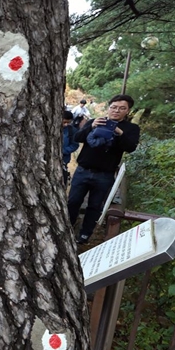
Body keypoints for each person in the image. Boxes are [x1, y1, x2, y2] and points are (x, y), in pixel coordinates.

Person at [67, 94, 140, 244]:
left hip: (104, 175)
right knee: (73, 202)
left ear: (128, 111)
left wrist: (120, 133)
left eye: (122, 108)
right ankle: (67, 228)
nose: (116, 111)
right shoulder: (95, 121)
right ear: (109, 107)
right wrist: (91, 127)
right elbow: (78, 137)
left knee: (95, 206)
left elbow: (130, 147)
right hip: (83, 170)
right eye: (113, 107)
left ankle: (85, 235)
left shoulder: (131, 128)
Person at [62, 110, 79, 185]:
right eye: (64, 122)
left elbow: (75, 145)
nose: (66, 125)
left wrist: (63, 151)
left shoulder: (72, 131)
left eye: (68, 123)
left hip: (63, 160)